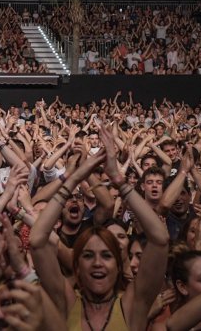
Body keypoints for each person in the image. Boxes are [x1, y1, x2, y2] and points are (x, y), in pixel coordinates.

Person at [30, 125, 170, 331]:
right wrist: (74, 178)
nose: (97, 263)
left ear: (119, 264)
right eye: (87, 255)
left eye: (106, 255)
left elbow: (160, 238)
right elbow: (37, 240)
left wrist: (119, 180)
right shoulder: (66, 301)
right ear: (76, 266)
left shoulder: (133, 304)